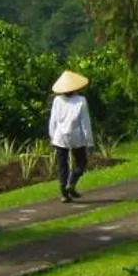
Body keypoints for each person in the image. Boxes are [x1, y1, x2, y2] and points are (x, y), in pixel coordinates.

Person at [49, 69, 94, 202]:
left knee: (62, 165)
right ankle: (72, 182)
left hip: (60, 137)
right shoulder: (81, 100)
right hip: (76, 137)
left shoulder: (57, 100)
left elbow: (53, 120)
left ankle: (64, 193)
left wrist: (52, 137)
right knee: (82, 162)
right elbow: (85, 123)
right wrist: (89, 142)